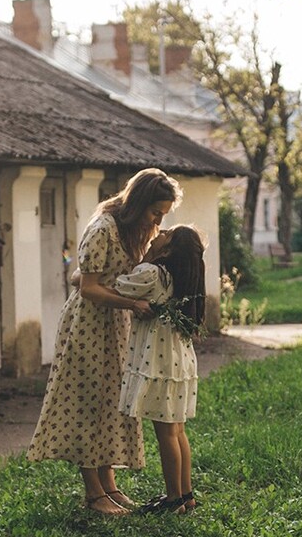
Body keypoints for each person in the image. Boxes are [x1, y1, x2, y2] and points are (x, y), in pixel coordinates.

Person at [26, 168, 182, 514]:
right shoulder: (103, 228)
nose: (158, 220)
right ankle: (93, 492)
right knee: (88, 400)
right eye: (156, 212)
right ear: (139, 203)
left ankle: (109, 485)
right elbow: (89, 287)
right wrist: (131, 303)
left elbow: (86, 274)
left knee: (113, 400)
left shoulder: (136, 230)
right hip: (89, 324)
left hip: (117, 324)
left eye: (163, 214)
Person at [112, 224, 207, 515]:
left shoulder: (152, 273)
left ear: (168, 250)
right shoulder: (179, 279)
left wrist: (145, 255)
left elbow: (118, 285)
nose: (159, 231)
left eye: (166, 234)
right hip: (179, 360)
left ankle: (173, 499)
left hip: (161, 362)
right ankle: (186, 494)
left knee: (166, 434)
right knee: (177, 431)